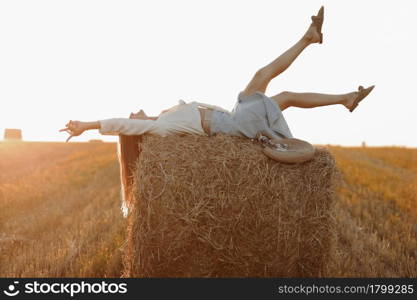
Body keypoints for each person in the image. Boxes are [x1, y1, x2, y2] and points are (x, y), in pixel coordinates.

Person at [60, 6, 375, 143]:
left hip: (236, 121)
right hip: (238, 126)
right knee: (261, 76)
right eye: (136, 115)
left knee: (286, 97)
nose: (137, 111)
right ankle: (309, 38)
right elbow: (121, 124)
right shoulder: (156, 128)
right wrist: (86, 125)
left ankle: (345, 98)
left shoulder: (170, 117)